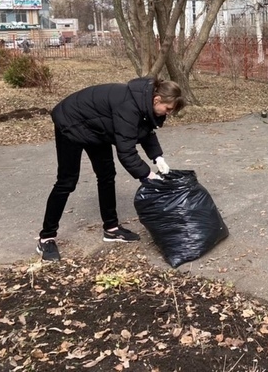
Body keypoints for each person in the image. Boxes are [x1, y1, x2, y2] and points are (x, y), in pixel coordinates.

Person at [37, 78, 185, 262]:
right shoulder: (129, 106)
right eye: (168, 108)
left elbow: (145, 130)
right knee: (67, 181)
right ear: (157, 99)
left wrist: (157, 157)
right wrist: (148, 175)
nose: (168, 114)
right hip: (71, 121)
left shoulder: (143, 103)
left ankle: (111, 228)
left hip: (96, 127)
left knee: (107, 175)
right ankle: (46, 237)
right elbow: (126, 152)